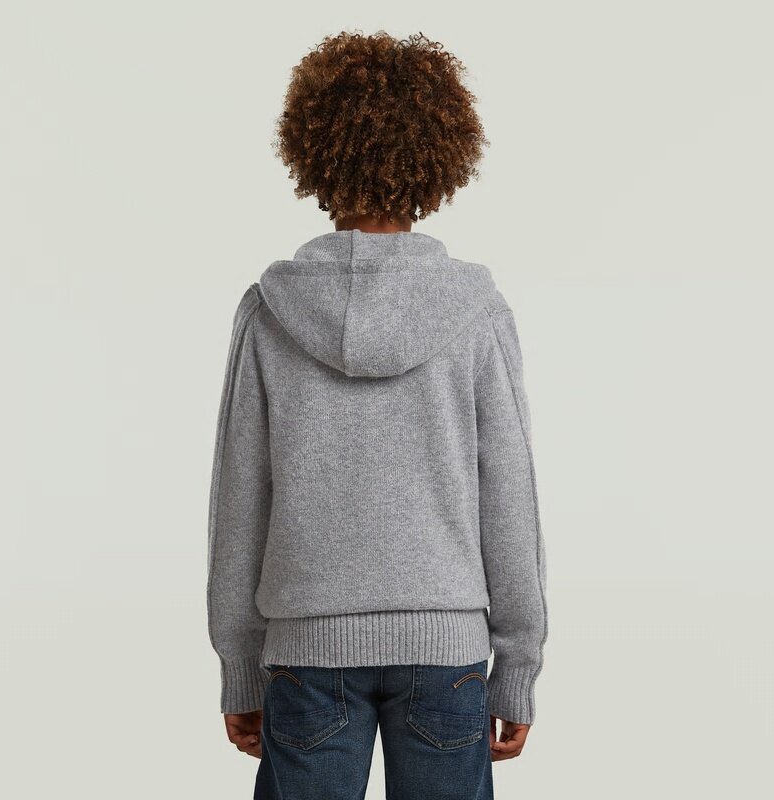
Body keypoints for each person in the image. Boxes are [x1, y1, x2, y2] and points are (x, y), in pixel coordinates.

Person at [206, 29, 549, 800]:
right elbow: (510, 499)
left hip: (306, 649)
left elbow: (238, 501)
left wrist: (240, 666)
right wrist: (518, 667)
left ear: (314, 153)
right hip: (447, 650)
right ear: (439, 157)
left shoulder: (267, 313)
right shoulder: (477, 313)